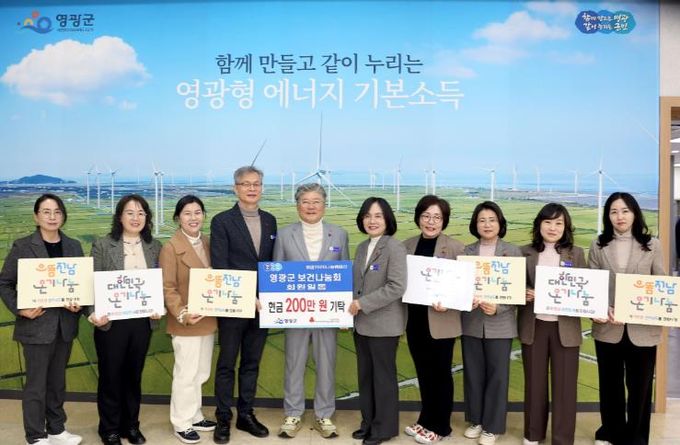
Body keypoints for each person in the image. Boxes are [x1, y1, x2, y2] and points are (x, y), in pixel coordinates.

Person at [0, 194, 83, 445]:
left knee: (57, 382)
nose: (52, 217)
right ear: (36, 217)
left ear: (63, 216)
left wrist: (79, 302)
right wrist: (21, 309)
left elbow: (81, 284)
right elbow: (5, 283)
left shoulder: (73, 246)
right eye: (46, 212)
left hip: (64, 326)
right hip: (36, 326)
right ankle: (36, 434)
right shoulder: (23, 246)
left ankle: (56, 429)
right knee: (36, 384)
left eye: (57, 212)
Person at [273, 183, 349, 439]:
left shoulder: (339, 234)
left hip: (327, 314)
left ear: (324, 205)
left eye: (316, 201)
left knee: (326, 364)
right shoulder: (284, 235)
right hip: (295, 313)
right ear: (297, 205)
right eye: (305, 201)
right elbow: (276, 273)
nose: (311, 206)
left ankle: (324, 415)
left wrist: (344, 313)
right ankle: (292, 413)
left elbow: (344, 276)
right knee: (293, 363)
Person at [589, 192, 664, 445]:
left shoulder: (652, 245)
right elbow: (593, 285)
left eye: (625, 211)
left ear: (634, 214)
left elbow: (660, 284)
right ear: (607, 216)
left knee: (640, 387)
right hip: (607, 326)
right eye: (614, 211)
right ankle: (610, 432)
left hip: (642, 329)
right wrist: (601, 309)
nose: (619, 216)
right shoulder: (598, 244)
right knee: (610, 385)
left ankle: (636, 437)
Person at [210, 166, 277, 444]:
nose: (252, 188)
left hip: (263, 307)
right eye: (246, 184)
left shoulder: (270, 221)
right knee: (227, 363)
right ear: (235, 188)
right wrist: (247, 294)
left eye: (256, 184)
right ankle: (223, 417)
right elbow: (220, 265)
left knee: (251, 363)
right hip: (233, 304)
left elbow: (273, 264)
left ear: (262, 187)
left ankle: (246, 415)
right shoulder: (222, 221)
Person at [88, 194, 162, 445]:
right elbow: (91, 281)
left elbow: (159, 282)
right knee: (111, 376)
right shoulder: (102, 244)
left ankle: (130, 425)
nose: (135, 218)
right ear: (120, 216)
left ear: (147, 218)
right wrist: (93, 313)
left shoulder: (155, 246)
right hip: (111, 322)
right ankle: (109, 428)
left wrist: (158, 306)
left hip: (142, 321)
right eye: (130, 212)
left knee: (133, 375)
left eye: (141, 213)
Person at [519, 203, 586, 445]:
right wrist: (523, 292)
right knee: (534, 383)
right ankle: (533, 434)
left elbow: (584, 290)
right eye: (548, 222)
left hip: (565, 327)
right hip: (534, 325)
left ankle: (563, 438)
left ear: (566, 227)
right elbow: (514, 287)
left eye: (559, 223)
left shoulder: (576, 254)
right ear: (539, 225)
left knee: (565, 387)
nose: (552, 227)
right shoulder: (524, 252)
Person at [402, 195, 464, 444]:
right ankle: (425, 420)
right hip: (414, 320)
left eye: (437, 217)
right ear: (418, 218)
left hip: (442, 320)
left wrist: (449, 300)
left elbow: (464, 287)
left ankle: (441, 426)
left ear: (444, 221)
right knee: (424, 372)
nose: (431, 221)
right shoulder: (406, 246)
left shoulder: (456, 248)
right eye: (426, 216)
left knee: (440, 374)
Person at [461, 201, 521, 445]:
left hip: (501, 324)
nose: (487, 225)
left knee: (498, 376)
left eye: (492, 220)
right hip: (472, 323)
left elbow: (517, 291)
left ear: (500, 223)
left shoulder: (512, 252)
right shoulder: (466, 252)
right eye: (482, 220)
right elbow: (458, 287)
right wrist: (465, 299)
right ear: (475, 224)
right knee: (473, 374)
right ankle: (476, 420)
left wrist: (499, 307)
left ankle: (493, 426)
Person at [349, 197, 407, 445]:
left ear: (387, 219)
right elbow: (357, 284)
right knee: (366, 377)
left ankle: (384, 429)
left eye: (378, 216)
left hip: (384, 325)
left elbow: (397, 286)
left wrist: (363, 304)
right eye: (367, 216)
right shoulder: (362, 247)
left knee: (383, 379)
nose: (372, 221)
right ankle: (369, 423)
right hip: (361, 324)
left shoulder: (394, 247)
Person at [159, 195, 217, 444]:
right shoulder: (170, 248)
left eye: (197, 212)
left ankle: (194, 415)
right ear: (178, 218)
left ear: (203, 215)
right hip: (186, 321)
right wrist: (182, 313)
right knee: (186, 373)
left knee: (201, 372)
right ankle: (181, 422)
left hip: (208, 319)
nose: (193, 218)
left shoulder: (209, 242)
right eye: (187, 213)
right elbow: (167, 287)